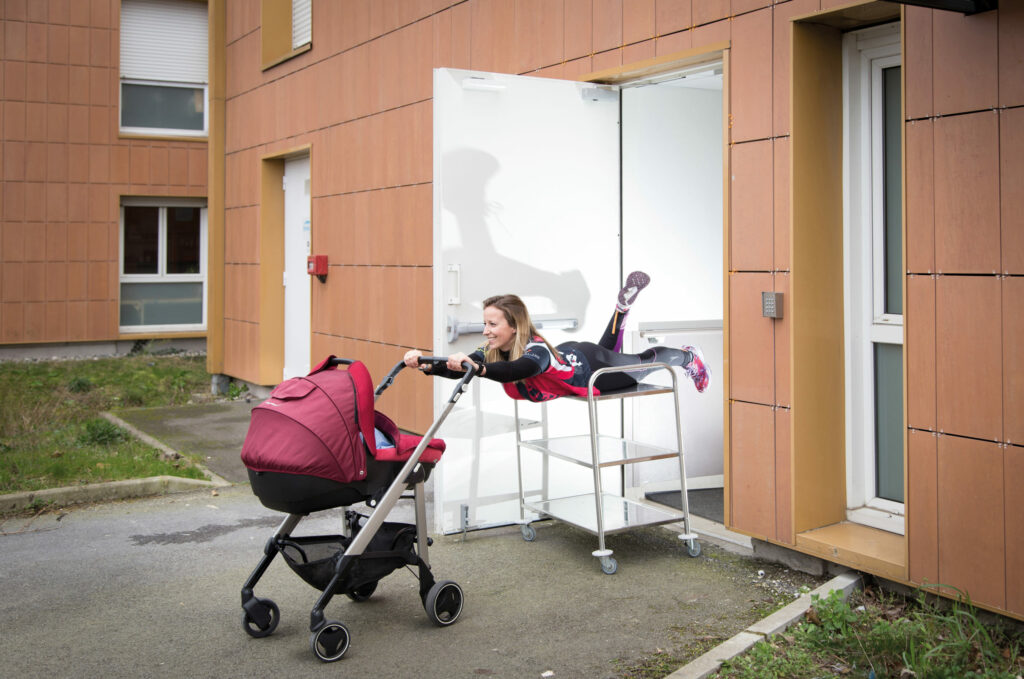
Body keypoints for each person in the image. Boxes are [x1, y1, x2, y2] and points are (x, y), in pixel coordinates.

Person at [403, 272, 710, 402]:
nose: (485, 331)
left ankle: (688, 356)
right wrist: (426, 364)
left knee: (642, 365)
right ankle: (621, 309)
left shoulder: (536, 353)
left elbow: (515, 371)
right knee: (609, 352)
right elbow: (464, 366)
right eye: (485, 324)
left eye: (492, 324)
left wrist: (478, 368)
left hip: (592, 372)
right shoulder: (493, 349)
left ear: (514, 325)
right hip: (577, 355)